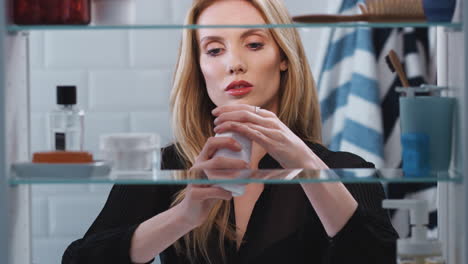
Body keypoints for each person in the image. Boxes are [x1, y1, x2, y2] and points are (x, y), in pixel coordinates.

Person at [62, 0, 398, 263]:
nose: (234, 63)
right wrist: (182, 216)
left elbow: (378, 257)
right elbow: (79, 260)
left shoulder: (346, 167)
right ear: (199, 67)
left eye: (253, 44)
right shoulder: (164, 167)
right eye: (214, 49)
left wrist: (308, 167)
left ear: (283, 56)